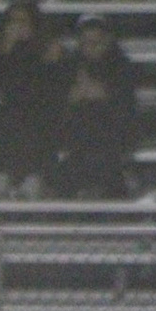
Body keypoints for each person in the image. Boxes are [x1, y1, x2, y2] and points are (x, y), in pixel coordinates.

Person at [0, 1, 64, 199]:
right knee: (11, 114)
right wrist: (6, 51)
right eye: (13, 21)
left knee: (29, 115)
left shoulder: (48, 48)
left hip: (42, 109)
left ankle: (34, 175)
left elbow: (47, 85)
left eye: (23, 21)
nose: (18, 26)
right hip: (10, 109)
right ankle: (6, 173)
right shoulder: (0, 49)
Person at [52, 15, 136, 200]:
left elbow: (126, 105)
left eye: (96, 43)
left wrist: (103, 94)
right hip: (77, 135)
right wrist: (73, 97)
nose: (90, 48)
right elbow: (58, 100)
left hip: (111, 134)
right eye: (86, 43)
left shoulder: (121, 65)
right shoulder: (71, 64)